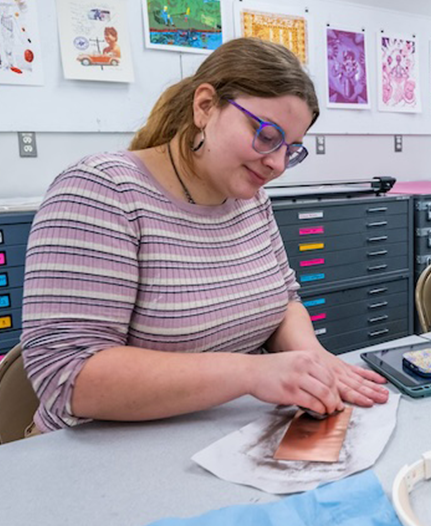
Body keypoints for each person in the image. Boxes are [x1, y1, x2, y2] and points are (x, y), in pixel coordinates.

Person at [21, 38, 388, 434]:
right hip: (96, 454)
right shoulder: (102, 191)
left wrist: (312, 359)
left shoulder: (250, 200)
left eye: (291, 150)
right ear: (205, 106)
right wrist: (252, 373)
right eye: (266, 135)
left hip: (210, 437)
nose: (277, 164)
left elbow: (283, 302)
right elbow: (67, 375)